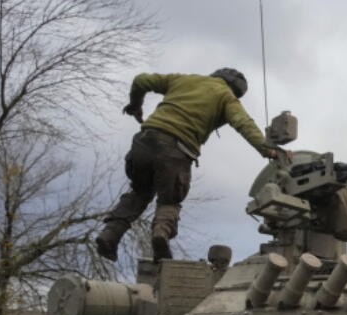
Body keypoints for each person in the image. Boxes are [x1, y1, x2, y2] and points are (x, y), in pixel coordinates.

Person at [95, 68, 284, 262]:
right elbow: (244, 123)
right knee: (170, 201)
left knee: (139, 193)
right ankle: (160, 235)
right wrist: (268, 150)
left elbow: (141, 80)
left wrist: (136, 105)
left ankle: (109, 235)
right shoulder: (226, 97)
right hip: (176, 150)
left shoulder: (183, 80)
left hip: (143, 142)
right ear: (236, 91)